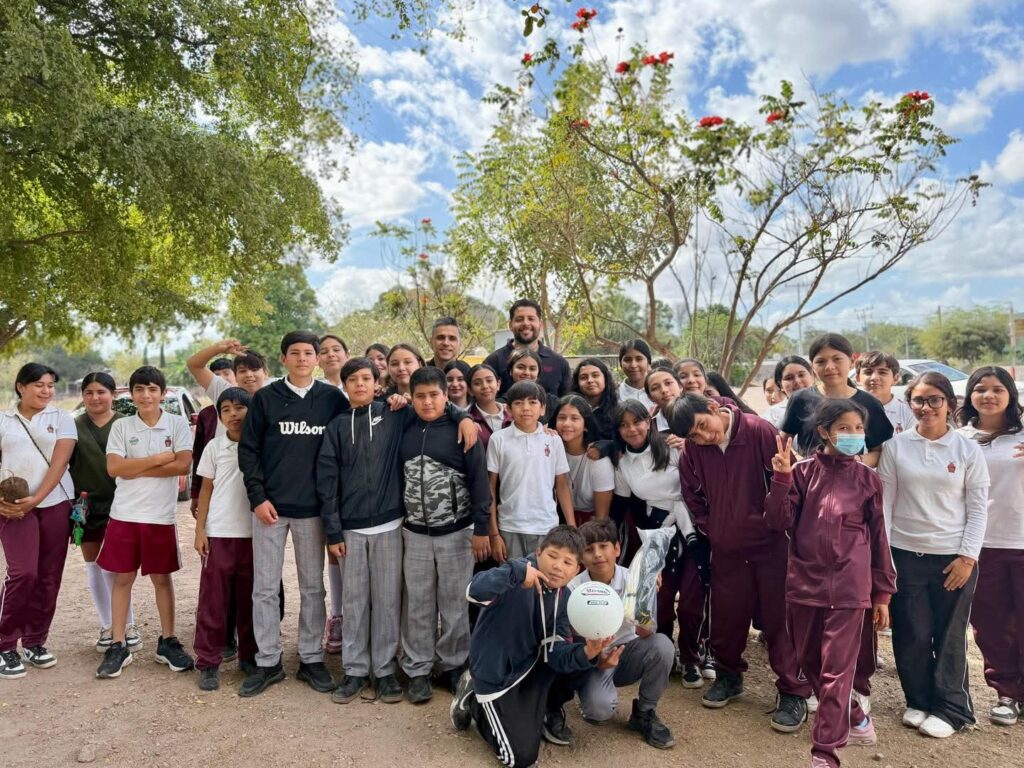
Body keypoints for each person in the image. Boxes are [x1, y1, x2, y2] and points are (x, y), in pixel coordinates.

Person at [318, 359, 477, 705]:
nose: (360, 384)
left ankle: (386, 671)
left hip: (391, 525)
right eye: (352, 379)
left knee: (389, 602)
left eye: (366, 378)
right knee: (354, 602)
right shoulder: (337, 427)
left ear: (378, 383)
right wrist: (333, 531)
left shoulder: (394, 414)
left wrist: (463, 416)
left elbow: (433, 403)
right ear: (344, 385)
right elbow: (326, 482)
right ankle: (355, 670)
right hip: (350, 529)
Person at [765, 401, 896, 768]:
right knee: (810, 663)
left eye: (859, 428)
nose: (854, 435)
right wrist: (781, 479)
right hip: (804, 585)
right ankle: (854, 715)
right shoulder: (802, 473)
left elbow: (880, 538)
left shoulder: (868, 479)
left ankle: (825, 753)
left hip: (851, 588)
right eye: (845, 428)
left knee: (836, 670)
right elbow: (777, 521)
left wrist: (882, 593)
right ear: (824, 431)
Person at [670, 392, 811, 731]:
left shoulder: (759, 431)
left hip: (772, 546)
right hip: (727, 548)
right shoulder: (693, 451)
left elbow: (790, 486)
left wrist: (774, 523)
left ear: (713, 408)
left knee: (781, 620)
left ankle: (793, 691)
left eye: (703, 425)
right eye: (694, 435)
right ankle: (729, 676)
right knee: (727, 617)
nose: (704, 437)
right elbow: (691, 494)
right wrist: (713, 527)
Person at [878, 372, 989, 738]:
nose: (926, 407)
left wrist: (968, 557)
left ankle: (952, 709)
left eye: (934, 400)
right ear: (909, 404)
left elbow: (978, 508)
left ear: (949, 404)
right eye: (919, 400)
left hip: (952, 559)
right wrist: (885, 557)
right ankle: (919, 700)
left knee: (948, 635)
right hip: (905, 555)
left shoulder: (967, 450)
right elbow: (886, 505)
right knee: (910, 632)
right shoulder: (896, 447)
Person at [237, 331, 346, 697]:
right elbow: (249, 450)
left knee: (313, 587)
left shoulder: (332, 399)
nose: (302, 358)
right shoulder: (266, 398)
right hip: (270, 508)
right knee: (265, 588)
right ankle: (268, 661)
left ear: (317, 359)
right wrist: (257, 497)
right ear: (282, 358)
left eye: (308, 353)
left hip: (312, 510)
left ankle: (311, 658)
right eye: (294, 353)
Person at [449, 526, 608, 768]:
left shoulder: (564, 597)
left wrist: (588, 652)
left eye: (567, 562)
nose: (558, 566)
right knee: (519, 757)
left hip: (529, 668)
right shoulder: (516, 573)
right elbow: (474, 592)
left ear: (577, 569)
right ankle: (474, 702)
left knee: (580, 653)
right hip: (497, 675)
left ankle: (546, 709)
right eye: (552, 556)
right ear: (539, 552)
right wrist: (514, 573)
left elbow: (556, 654)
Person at [398, 367, 491, 702]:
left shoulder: (463, 430)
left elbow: (479, 482)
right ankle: (418, 668)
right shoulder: (403, 425)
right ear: (411, 397)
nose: (427, 402)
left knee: (454, 602)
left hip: (457, 531)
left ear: (446, 395)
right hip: (415, 533)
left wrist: (482, 529)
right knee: (418, 603)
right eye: (420, 396)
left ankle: (452, 665)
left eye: (434, 395)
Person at [95, 366, 194, 679]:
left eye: (152, 389)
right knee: (122, 578)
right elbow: (115, 468)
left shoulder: (176, 423)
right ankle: (118, 644)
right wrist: (158, 459)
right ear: (131, 393)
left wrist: (134, 467)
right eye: (139, 389)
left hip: (160, 517)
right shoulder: (122, 426)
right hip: (124, 514)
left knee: (162, 579)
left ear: (162, 393)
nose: (146, 395)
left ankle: (168, 641)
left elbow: (182, 464)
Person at [548, 519, 676, 749]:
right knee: (599, 711)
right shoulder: (574, 589)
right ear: (581, 557)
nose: (597, 554)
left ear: (617, 548)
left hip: (628, 653)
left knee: (662, 646)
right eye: (589, 549)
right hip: (593, 659)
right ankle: (585, 695)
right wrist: (597, 660)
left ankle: (644, 712)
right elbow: (572, 641)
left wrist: (644, 598)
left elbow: (645, 632)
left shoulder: (634, 580)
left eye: (604, 546)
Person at [610, 401, 705, 688]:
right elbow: (621, 505)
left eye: (637, 422)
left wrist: (687, 444)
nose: (632, 429)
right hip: (655, 532)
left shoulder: (671, 446)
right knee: (659, 600)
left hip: (693, 528)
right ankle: (665, 652)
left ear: (649, 421)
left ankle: (691, 657)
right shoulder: (622, 463)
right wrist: (608, 535)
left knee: (691, 601)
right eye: (624, 425)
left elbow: (697, 479)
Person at [0, 363, 77, 679]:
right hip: (13, 507)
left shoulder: (62, 419)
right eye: (38, 385)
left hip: (56, 502)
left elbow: (60, 463)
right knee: (23, 573)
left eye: (50, 385)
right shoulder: (4, 420)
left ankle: (35, 641)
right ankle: (5, 643)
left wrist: (37, 497)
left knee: (49, 575)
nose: (46, 391)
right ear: (21, 387)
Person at [957, 366, 1024, 726]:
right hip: (979, 544)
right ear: (970, 396)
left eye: (997, 389)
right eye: (980, 389)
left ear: (1010, 394)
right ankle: (1007, 692)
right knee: (990, 622)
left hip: (1021, 539)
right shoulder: (959, 438)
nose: (988, 395)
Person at [69, 373, 142, 654]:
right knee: (94, 564)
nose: (95, 397)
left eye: (101, 391)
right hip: (86, 507)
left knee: (119, 567)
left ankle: (128, 625)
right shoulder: (72, 426)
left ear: (113, 394)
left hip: (123, 504)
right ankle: (107, 625)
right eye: (89, 392)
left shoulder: (128, 424)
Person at [193, 388, 257, 691]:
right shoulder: (215, 447)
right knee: (213, 601)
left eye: (239, 408)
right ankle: (208, 661)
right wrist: (200, 530)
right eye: (226, 409)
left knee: (250, 600)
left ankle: (249, 656)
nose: (234, 414)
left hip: (254, 534)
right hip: (219, 533)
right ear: (219, 416)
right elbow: (206, 490)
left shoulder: (262, 444)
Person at [487, 381, 575, 562]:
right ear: (509, 409)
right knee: (513, 577)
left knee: (545, 576)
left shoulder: (553, 440)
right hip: (509, 527)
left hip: (546, 526)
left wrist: (571, 526)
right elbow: (490, 489)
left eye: (533, 402)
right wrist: (494, 533)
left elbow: (562, 486)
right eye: (518, 403)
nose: (526, 408)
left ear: (543, 409)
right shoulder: (498, 439)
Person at [781, 334, 892, 465]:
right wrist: (800, 462)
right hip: (808, 477)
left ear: (852, 361)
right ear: (812, 367)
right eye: (821, 361)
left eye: (837, 359)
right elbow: (783, 442)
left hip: (851, 477)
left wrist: (856, 462)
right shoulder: (800, 399)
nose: (829, 367)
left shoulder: (870, 403)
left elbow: (878, 452)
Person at [484, 299, 571, 397]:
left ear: (540, 325)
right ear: (510, 325)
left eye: (531, 319)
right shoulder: (493, 362)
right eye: (519, 319)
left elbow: (567, 402)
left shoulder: (559, 363)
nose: (526, 323)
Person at [551, 396, 614, 527]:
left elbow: (601, 519)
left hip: (593, 525)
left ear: (586, 425)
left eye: (574, 418)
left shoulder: (598, 460)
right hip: (559, 521)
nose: (566, 423)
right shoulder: (550, 452)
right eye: (562, 418)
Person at [856, 351, 916, 434]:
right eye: (868, 372)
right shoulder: (847, 410)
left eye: (882, 372)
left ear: (895, 378)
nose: (874, 377)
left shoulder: (909, 411)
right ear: (858, 378)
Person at [506, 348, 559, 423]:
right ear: (511, 371)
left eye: (532, 369)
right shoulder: (501, 404)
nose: (527, 373)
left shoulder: (552, 403)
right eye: (520, 367)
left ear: (538, 372)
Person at [572, 358, 618, 441]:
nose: (590, 380)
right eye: (583, 377)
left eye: (595, 375)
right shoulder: (570, 409)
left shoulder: (617, 410)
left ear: (605, 378)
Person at [467, 364, 511, 449]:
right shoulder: (467, 419)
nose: (485, 386)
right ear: (470, 390)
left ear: (498, 384)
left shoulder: (512, 414)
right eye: (477, 383)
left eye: (489, 381)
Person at [763, 355, 815, 428]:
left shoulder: (826, 405)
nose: (797, 381)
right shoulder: (772, 415)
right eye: (789, 378)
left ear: (812, 376)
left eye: (801, 375)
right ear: (780, 385)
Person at [617, 340, 655, 409]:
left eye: (639, 359)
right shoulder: (614, 394)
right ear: (620, 364)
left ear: (649, 362)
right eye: (627, 360)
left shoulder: (661, 390)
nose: (633, 365)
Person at [646, 367, 682, 433]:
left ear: (680, 386)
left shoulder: (699, 415)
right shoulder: (649, 429)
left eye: (668, 383)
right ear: (650, 397)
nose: (664, 390)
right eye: (655, 388)